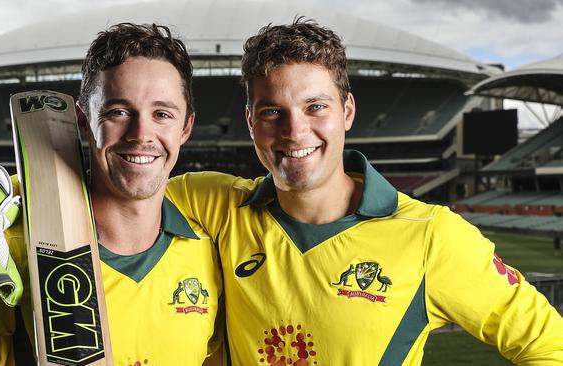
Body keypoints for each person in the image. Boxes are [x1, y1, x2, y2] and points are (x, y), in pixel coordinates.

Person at [166, 18, 563, 364]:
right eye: (272, 112)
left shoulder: (431, 235)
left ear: (348, 111)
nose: (294, 131)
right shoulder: (213, 204)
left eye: (315, 106)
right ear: (250, 122)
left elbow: (549, 344)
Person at [0, 23, 223, 365]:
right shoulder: (7, 250)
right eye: (118, 112)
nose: (141, 133)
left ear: (185, 126)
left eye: (162, 114)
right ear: (83, 121)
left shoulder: (208, 251)